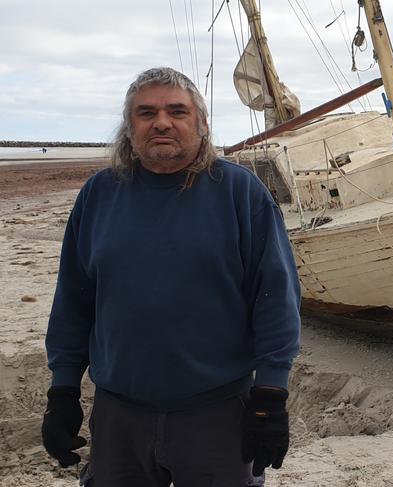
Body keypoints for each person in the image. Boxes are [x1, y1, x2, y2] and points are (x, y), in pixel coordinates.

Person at [41, 67, 301, 487]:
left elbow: (275, 298)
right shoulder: (99, 194)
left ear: (201, 124)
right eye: (146, 113)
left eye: (176, 111)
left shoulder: (240, 192)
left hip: (216, 412)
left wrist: (271, 395)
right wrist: (63, 390)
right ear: (129, 128)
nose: (161, 121)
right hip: (118, 414)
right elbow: (73, 300)